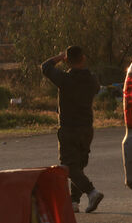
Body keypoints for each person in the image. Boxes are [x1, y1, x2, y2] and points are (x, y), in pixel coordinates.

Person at [41, 46, 104, 213]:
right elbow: (97, 88)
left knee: (68, 166)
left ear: (67, 60)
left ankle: (92, 192)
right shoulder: (92, 79)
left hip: (69, 128)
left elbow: (45, 67)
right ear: (83, 58)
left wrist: (60, 57)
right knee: (78, 166)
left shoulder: (64, 79)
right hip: (86, 129)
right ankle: (74, 201)